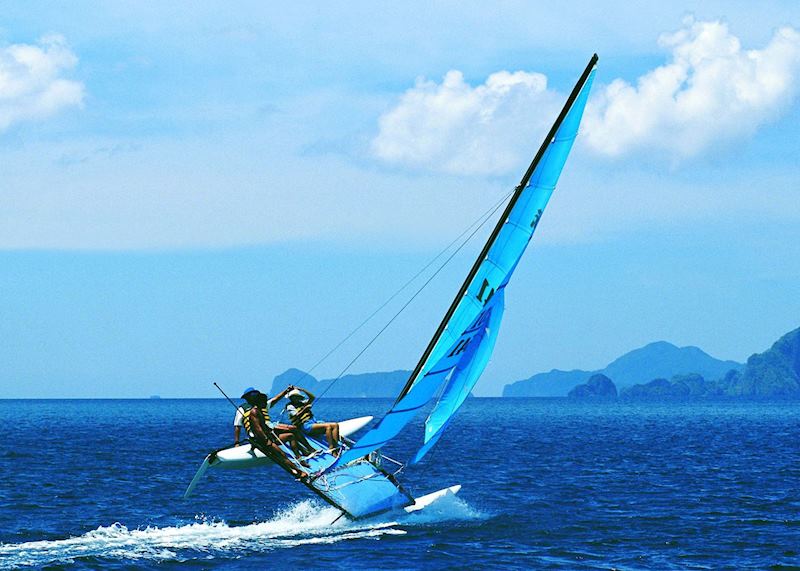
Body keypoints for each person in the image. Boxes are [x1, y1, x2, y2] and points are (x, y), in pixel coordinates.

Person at [239, 388, 309, 480]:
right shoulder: (254, 412)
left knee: (290, 436)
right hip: (263, 440)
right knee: (281, 455)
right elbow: (258, 429)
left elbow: (264, 426)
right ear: (259, 402)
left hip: (269, 437)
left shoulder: (260, 410)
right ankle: (298, 472)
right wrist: (267, 441)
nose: (265, 404)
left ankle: (299, 458)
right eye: (263, 402)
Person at [285, 386, 340, 453]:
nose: (295, 398)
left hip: (313, 422)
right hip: (305, 425)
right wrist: (305, 409)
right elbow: (296, 415)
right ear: (291, 398)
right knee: (327, 427)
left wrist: (302, 389)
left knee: (335, 425)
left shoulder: (303, 403)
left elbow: (312, 397)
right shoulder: (290, 406)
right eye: (293, 396)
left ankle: (336, 446)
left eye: (296, 396)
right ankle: (331, 449)